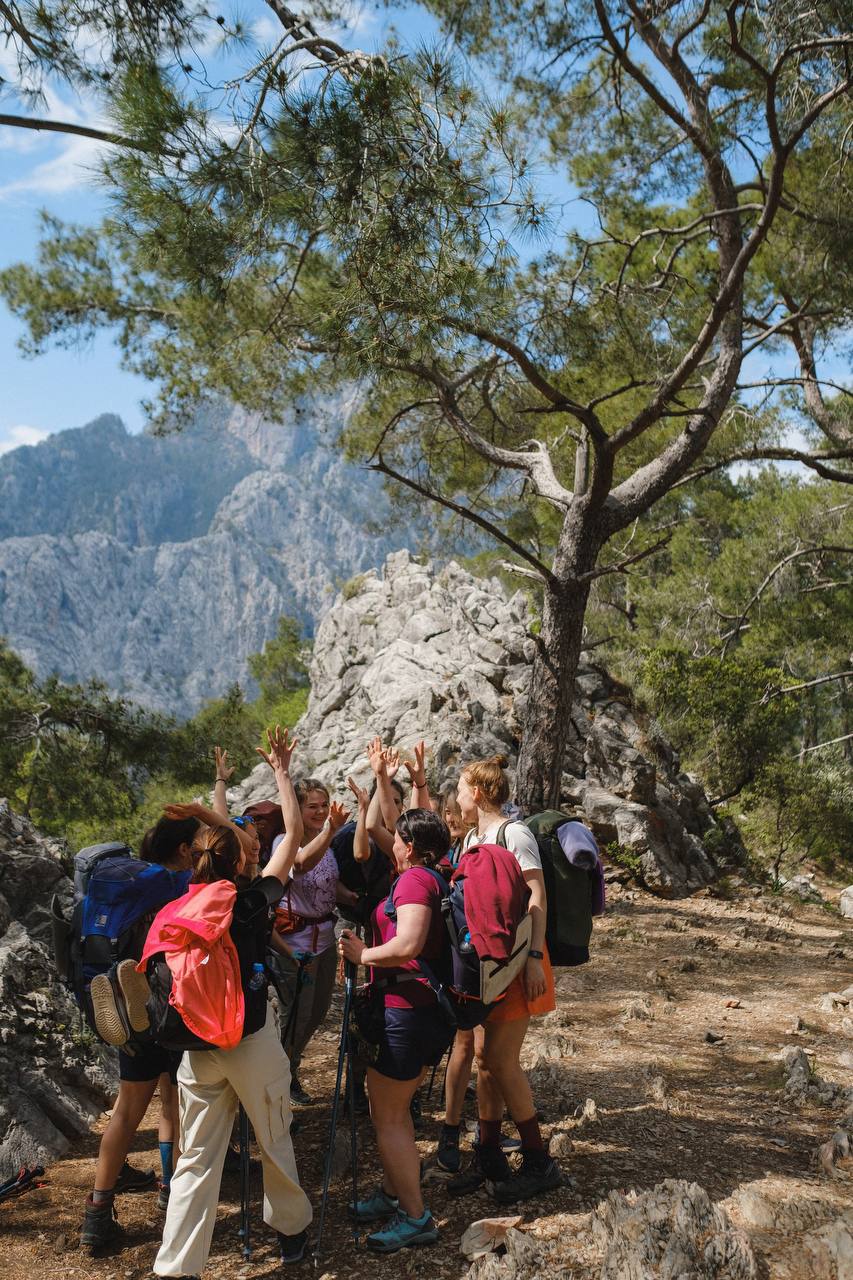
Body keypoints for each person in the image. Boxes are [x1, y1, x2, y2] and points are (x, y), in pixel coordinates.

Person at [151, 726, 313, 1277]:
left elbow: (226, 846)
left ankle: (177, 1267)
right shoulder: (251, 901)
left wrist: (207, 808)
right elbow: (292, 832)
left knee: (196, 1159)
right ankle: (291, 1235)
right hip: (249, 1038)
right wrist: (282, 770)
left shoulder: (186, 903)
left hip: (195, 1044)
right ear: (242, 860)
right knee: (274, 1138)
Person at [339, 807, 455, 1254]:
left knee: (386, 1116)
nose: (393, 846)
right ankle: (392, 1192)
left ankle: (414, 1216)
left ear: (409, 846)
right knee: (398, 1109)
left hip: (405, 1011)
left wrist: (362, 955)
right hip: (425, 1010)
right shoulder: (437, 876)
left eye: (398, 840)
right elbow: (372, 829)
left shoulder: (412, 881)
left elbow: (406, 943)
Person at [80, 815, 198, 1252]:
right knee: (172, 1100)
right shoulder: (175, 883)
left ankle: (97, 1213)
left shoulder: (120, 885)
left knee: (127, 1108)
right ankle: (170, 1194)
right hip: (163, 1006)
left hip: (113, 997)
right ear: (184, 850)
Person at [450, 755, 562, 1202]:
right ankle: (491, 1155)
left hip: (516, 962)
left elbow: (536, 894)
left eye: (460, 790)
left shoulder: (514, 833)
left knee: (501, 1058)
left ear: (477, 792)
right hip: (486, 966)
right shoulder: (472, 838)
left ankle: (539, 1162)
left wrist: (534, 956)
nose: (456, 798)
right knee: (482, 1057)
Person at [266, 777, 349, 1104]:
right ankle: (280, 1078)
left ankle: (288, 1070)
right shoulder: (285, 842)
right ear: (297, 809)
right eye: (311, 806)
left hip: (325, 939)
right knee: (295, 1016)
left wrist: (352, 896)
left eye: (323, 806)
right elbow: (300, 866)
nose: (319, 811)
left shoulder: (327, 845)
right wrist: (330, 829)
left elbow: (329, 884)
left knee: (317, 1013)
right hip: (296, 944)